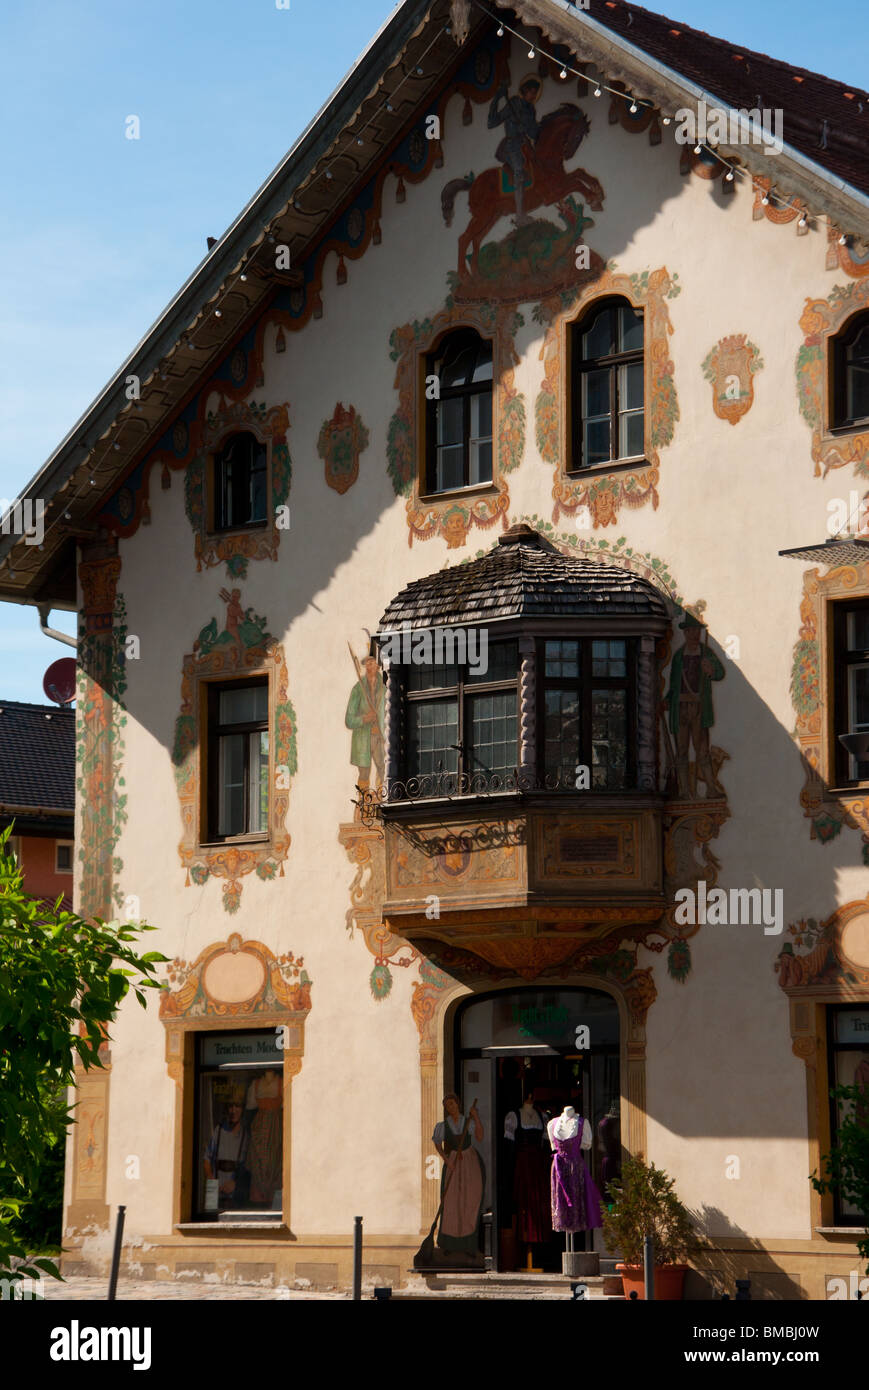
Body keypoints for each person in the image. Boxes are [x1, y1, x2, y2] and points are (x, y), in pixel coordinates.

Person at [665, 613, 725, 799]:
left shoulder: (706, 654)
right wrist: (666, 701)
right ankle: (684, 791)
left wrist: (711, 669)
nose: (693, 634)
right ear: (684, 632)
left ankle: (710, 788)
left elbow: (720, 673)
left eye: (696, 630)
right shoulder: (678, 657)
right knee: (682, 750)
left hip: (699, 708)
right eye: (690, 630)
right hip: (680, 707)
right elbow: (674, 685)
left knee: (702, 749)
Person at [432, 1093, 485, 1262]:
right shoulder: (443, 1126)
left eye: (453, 1104)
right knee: (451, 1202)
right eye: (447, 1105)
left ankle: (468, 1245)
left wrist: (475, 1117)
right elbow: (437, 1144)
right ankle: (449, 1244)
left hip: (469, 1162)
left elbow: (479, 1136)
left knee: (469, 1201)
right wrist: (447, 1160)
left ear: (458, 1105)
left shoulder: (467, 1121)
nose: (451, 1107)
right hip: (453, 1161)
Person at [487, 76, 542, 224]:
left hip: (525, 145)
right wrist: (497, 98)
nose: (533, 96)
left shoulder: (531, 109)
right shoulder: (514, 104)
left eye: (536, 93)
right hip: (512, 146)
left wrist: (536, 128)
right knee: (519, 172)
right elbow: (492, 122)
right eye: (531, 92)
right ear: (525, 91)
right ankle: (519, 215)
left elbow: (533, 133)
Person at [345, 652, 385, 802]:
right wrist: (364, 718)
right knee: (364, 773)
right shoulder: (358, 689)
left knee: (383, 769)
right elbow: (349, 720)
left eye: (372, 662)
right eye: (367, 663)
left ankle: (383, 801)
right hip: (363, 739)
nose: (370, 666)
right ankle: (364, 804)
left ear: (378, 665)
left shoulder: (385, 687)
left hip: (380, 736)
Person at [203, 1092, 249, 1208]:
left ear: (242, 1109)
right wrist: (212, 1180)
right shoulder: (218, 1131)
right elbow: (207, 1159)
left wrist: (236, 1183)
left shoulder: (246, 1136)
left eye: (237, 1106)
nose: (233, 1110)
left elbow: (248, 1167)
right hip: (216, 1193)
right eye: (230, 1106)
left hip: (235, 1195)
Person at [245, 1069, 283, 1207]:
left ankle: (273, 1199)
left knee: (275, 1161)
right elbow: (250, 1105)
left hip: (276, 1128)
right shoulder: (256, 1084)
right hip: (259, 1127)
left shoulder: (281, 1083)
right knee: (258, 1160)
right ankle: (259, 1199)